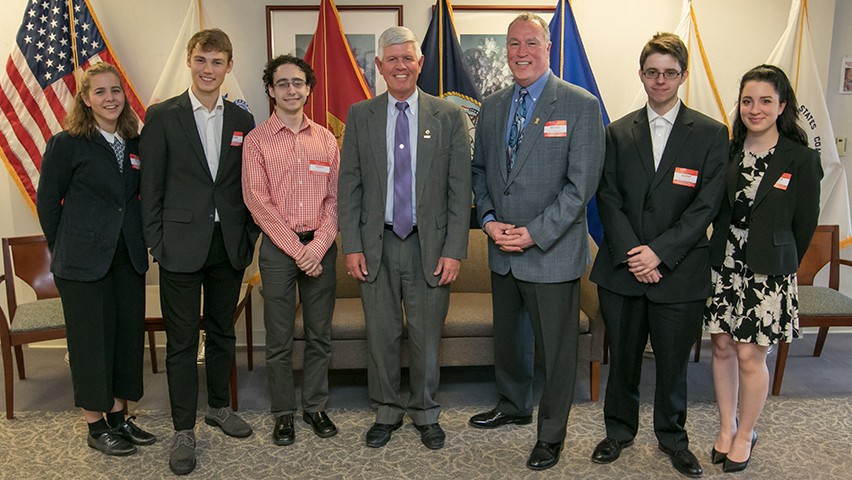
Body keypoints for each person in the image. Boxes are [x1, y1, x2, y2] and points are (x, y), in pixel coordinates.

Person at [589, 32, 728, 479]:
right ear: (641, 74)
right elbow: (607, 196)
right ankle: (618, 431)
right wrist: (636, 254)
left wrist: (660, 254)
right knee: (623, 360)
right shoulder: (617, 131)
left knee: (672, 365)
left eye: (669, 72)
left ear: (683, 76)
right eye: (653, 72)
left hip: (679, 271)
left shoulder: (711, 133)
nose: (660, 80)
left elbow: (706, 205)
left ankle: (673, 439)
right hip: (623, 269)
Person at [469, 13, 605, 471]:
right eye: (513, 43)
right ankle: (513, 405)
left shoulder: (579, 105)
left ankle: (551, 434)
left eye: (531, 42)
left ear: (548, 48)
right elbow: (481, 172)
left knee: (557, 350)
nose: (521, 51)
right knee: (509, 339)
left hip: (550, 251)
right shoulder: (492, 106)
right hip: (501, 247)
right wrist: (489, 221)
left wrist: (534, 232)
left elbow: (580, 187)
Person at [338, 26, 471, 451]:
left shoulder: (448, 116)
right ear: (379, 65)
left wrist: (454, 250)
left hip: (427, 245)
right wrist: (351, 245)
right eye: (392, 59)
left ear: (420, 63)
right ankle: (387, 410)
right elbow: (349, 185)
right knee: (381, 333)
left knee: (426, 335)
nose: (400, 66)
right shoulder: (361, 115)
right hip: (375, 242)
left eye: (407, 58)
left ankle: (426, 411)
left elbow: (459, 190)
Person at [139, 29, 258, 475]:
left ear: (229, 67)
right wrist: (157, 241)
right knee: (183, 342)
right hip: (179, 247)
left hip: (228, 245)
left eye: (217, 62)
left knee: (222, 332)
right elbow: (150, 186)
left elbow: (249, 185)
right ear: (189, 61)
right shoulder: (162, 116)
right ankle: (183, 430)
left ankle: (219, 407)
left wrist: (248, 236)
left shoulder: (243, 119)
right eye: (201, 60)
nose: (208, 69)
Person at [704, 64, 822, 473]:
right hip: (725, 263)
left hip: (767, 272)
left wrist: (780, 262)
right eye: (748, 101)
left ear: (782, 105)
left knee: (750, 355)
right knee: (722, 347)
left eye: (765, 101)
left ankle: (746, 433)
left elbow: (804, 225)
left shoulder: (801, 159)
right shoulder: (727, 150)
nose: (755, 109)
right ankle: (726, 427)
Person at [37, 62, 155, 456]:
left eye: (115, 90)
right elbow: (48, 203)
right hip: (81, 262)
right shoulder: (67, 143)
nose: (109, 98)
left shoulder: (134, 143)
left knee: (124, 338)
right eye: (100, 91)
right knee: (91, 343)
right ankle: (95, 424)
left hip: (127, 258)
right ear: (86, 100)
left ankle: (119, 417)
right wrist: (65, 247)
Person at [242, 54, 340, 446]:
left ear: (308, 88)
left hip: (321, 247)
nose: (291, 90)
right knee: (279, 338)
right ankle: (283, 412)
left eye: (298, 82)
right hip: (279, 250)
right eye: (282, 83)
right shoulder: (256, 141)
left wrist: (318, 246)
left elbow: (335, 199)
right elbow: (257, 200)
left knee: (319, 334)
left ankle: (315, 406)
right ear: (270, 90)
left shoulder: (326, 139)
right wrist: (297, 250)